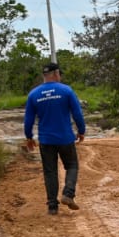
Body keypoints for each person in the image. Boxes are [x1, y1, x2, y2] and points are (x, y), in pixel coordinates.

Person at [24, 61, 86, 215]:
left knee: (50, 172)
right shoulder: (66, 91)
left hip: (46, 140)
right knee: (72, 165)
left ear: (44, 76)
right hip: (65, 137)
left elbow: (28, 120)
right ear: (57, 74)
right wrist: (81, 130)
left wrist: (29, 137)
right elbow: (77, 114)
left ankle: (52, 206)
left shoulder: (34, 94)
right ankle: (68, 194)